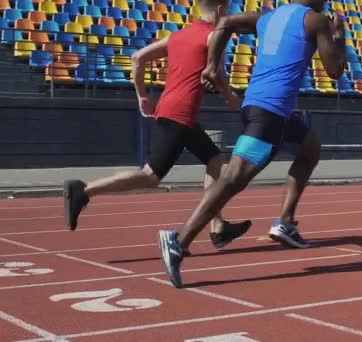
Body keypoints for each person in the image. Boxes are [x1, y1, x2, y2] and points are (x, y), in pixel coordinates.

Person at [157, 0, 346, 288]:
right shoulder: (316, 21)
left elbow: (225, 22)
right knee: (233, 178)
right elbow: (334, 71)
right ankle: (179, 241)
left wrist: (211, 65)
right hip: (269, 113)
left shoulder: (267, 17)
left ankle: (285, 222)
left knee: (310, 148)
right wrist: (339, 40)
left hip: (262, 107)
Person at [63, 0, 252, 255]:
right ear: (220, 10)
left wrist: (141, 95)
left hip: (170, 107)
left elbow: (137, 56)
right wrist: (231, 97)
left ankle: (217, 226)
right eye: (227, 10)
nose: (228, 15)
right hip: (181, 114)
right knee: (151, 176)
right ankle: (84, 191)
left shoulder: (178, 36)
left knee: (214, 157)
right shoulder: (212, 37)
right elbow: (216, 73)